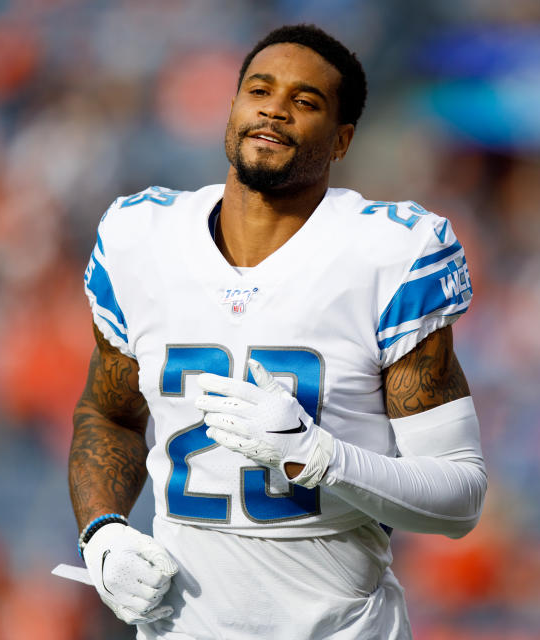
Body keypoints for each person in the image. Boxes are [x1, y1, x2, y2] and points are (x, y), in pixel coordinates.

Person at [68, 23, 487, 639]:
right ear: (233, 107)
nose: (275, 108)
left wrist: (320, 458)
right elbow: (109, 415)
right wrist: (102, 533)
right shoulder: (141, 238)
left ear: (342, 140)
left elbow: (460, 496)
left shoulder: (388, 254)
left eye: (306, 101)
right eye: (259, 90)